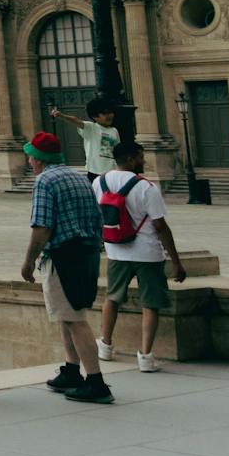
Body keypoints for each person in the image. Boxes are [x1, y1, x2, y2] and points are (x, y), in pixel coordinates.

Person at [19, 131, 110, 403]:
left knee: (74, 319)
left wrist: (28, 261)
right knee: (66, 313)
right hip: (87, 252)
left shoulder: (45, 181)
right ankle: (72, 370)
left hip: (63, 254)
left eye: (31, 157)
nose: (29, 161)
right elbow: (97, 217)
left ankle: (96, 381)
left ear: (39, 159)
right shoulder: (76, 175)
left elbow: (42, 226)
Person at [95, 140, 187, 374]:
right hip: (147, 252)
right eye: (140, 157)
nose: (143, 161)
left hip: (116, 249)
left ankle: (105, 345)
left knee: (112, 298)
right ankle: (145, 356)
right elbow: (160, 226)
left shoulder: (99, 182)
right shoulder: (146, 187)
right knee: (151, 303)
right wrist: (176, 261)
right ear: (130, 159)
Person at [52, 98, 120, 182]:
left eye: (111, 112)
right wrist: (62, 116)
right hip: (95, 173)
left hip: (112, 172)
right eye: (105, 113)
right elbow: (76, 120)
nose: (110, 115)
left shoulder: (114, 131)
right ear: (95, 117)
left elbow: (118, 151)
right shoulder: (91, 128)